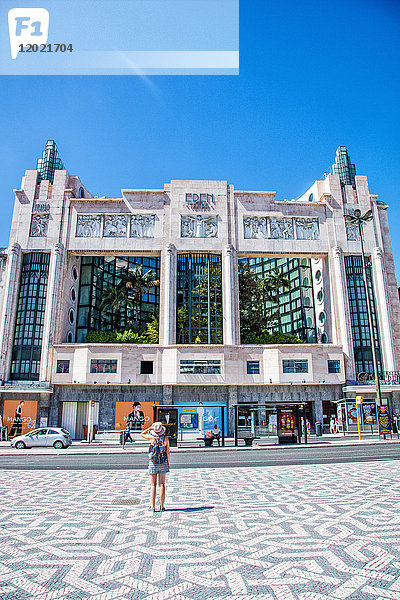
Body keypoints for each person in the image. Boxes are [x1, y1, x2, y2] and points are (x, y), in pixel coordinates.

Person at [141, 422, 170, 512]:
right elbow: (168, 452)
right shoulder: (165, 439)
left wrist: (150, 428)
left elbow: (141, 434)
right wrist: (168, 463)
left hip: (153, 463)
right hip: (163, 462)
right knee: (162, 485)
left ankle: (152, 506)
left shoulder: (151, 438)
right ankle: (162, 506)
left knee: (153, 485)